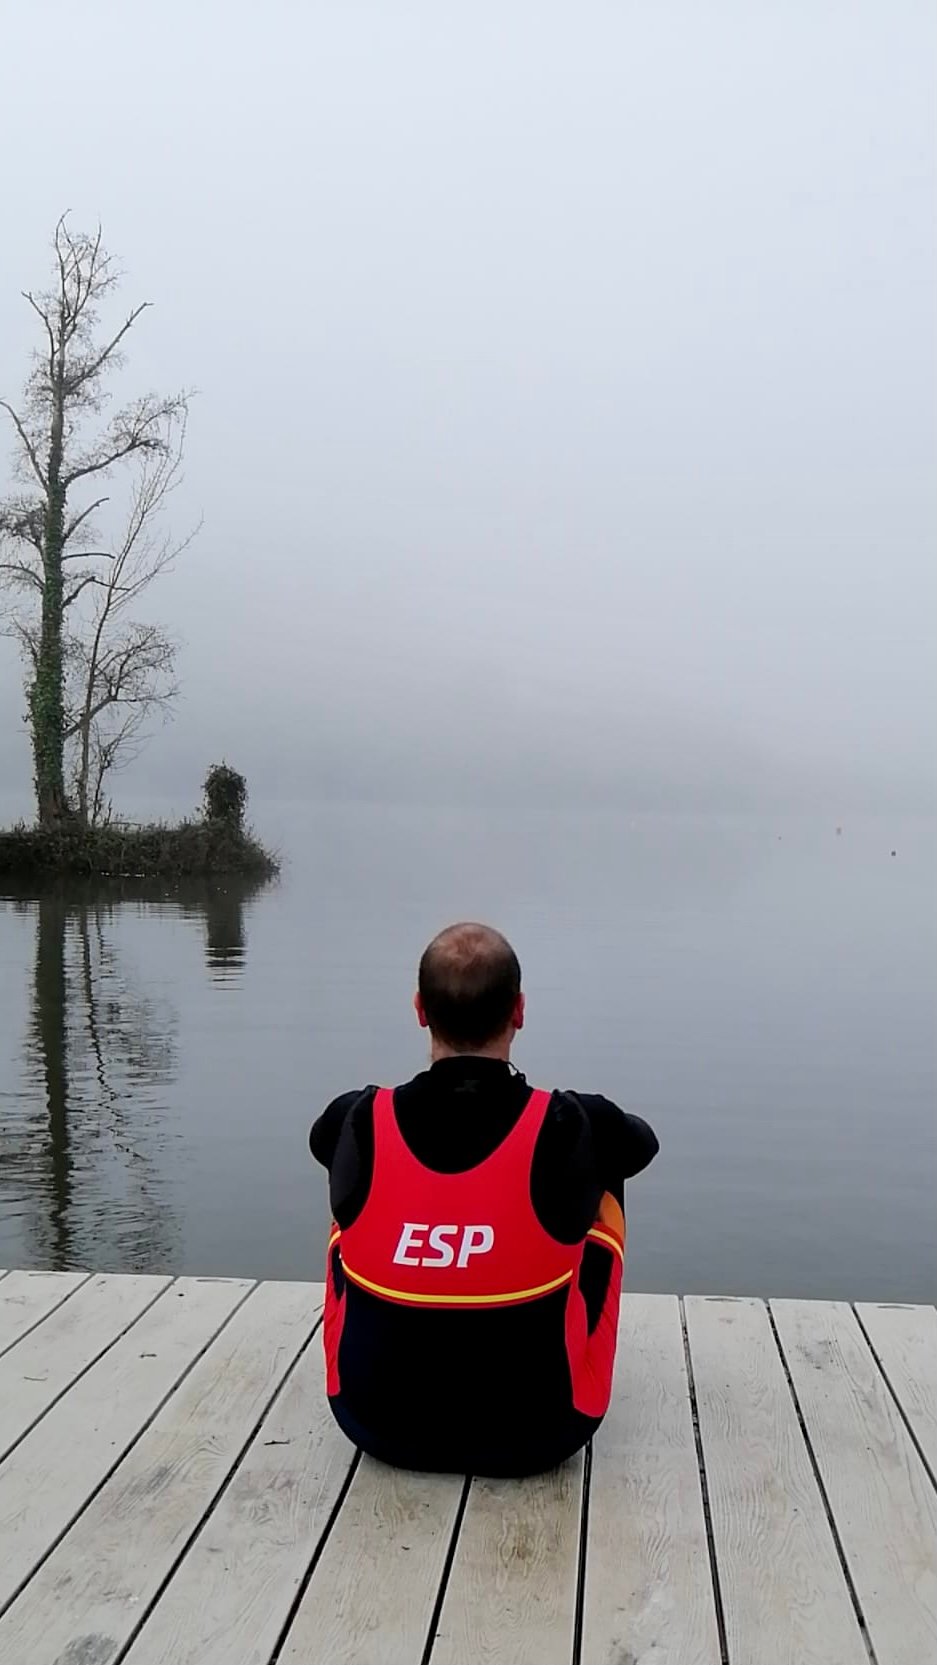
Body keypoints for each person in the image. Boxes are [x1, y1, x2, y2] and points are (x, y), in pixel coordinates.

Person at [310, 922, 658, 1476]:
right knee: (604, 1178)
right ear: (519, 1011)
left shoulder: (358, 1116)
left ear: (420, 1010)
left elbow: (319, 1144)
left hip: (373, 1422)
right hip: (543, 1434)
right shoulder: (572, 1120)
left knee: (348, 1199)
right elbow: (642, 1146)